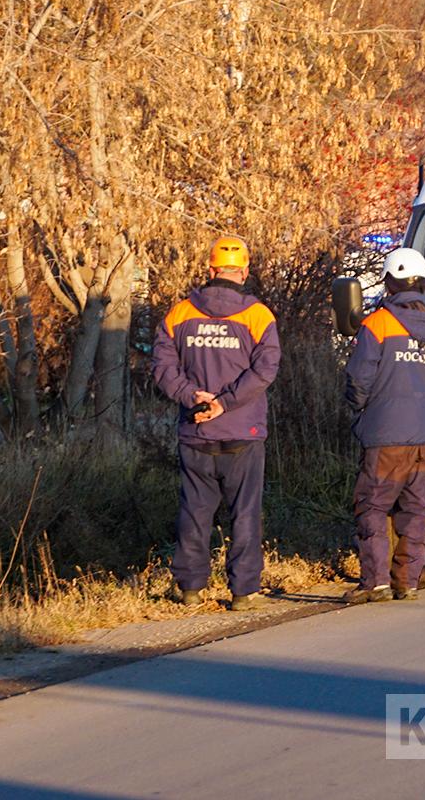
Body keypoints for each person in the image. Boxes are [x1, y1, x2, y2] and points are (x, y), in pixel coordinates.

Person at [152, 235, 282, 610]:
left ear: (209, 270)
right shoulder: (259, 316)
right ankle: (243, 591)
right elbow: (265, 371)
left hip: (196, 430)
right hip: (243, 430)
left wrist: (192, 396)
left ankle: (190, 588)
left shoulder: (179, 313)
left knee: (195, 509)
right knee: (244, 511)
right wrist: (225, 404)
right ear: (243, 271)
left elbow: (162, 366)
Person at [341, 248, 425, 604]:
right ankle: (407, 582)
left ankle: (375, 581)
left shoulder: (377, 324)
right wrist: (424, 406)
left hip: (384, 436)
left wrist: (364, 409)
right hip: (424, 436)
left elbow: (358, 379)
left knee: (373, 507)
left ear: (390, 283)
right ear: (423, 282)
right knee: (414, 510)